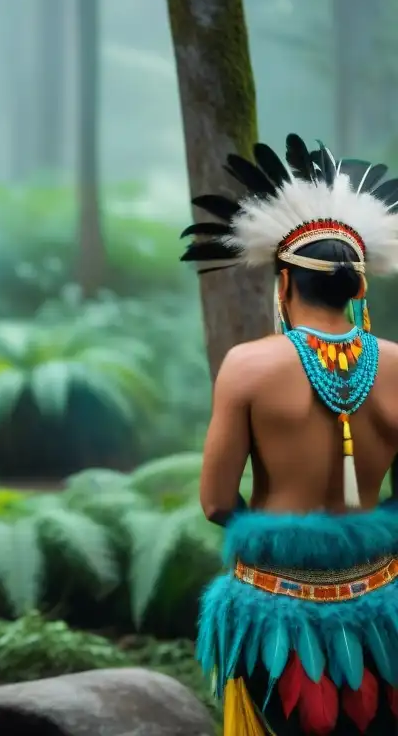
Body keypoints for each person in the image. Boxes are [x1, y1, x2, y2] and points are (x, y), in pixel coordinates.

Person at [182, 134, 398, 735]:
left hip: (276, 613)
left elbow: (216, 502)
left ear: (284, 284)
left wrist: (278, 535)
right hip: (386, 607)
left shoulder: (249, 367)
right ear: (359, 286)